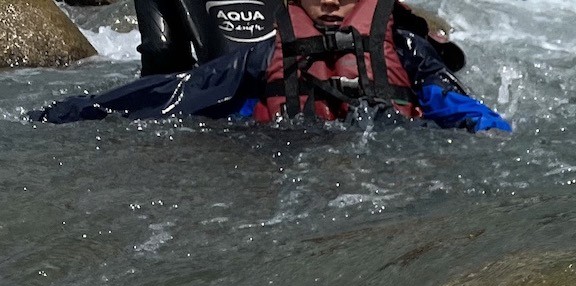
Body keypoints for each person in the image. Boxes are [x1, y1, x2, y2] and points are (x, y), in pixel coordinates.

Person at [35, 0, 507, 131]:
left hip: (391, 177)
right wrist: (73, 110)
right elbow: (178, 93)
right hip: (289, 158)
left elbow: (467, 110)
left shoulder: (403, 48)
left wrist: (493, 133)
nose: (329, 3)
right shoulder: (266, 57)